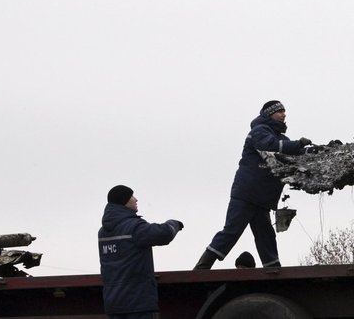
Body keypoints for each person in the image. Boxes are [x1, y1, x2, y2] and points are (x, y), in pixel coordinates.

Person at [195, 100, 312, 269]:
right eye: (280, 111)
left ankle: (273, 269)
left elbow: (295, 153)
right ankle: (202, 268)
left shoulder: (280, 138)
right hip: (246, 194)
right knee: (231, 231)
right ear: (269, 114)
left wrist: (317, 150)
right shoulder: (259, 132)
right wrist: (298, 144)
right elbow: (271, 146)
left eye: (284, 111)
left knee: (266, 235)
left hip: (262, 198)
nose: (284, 114)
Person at [98, 185, 183, 319]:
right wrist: (174, 224)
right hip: (137, 303)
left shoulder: (103, 232)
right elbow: (163, 234)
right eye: (132, 196)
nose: (136, 199)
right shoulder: (134, 227)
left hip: (113, 304)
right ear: (124, 201)